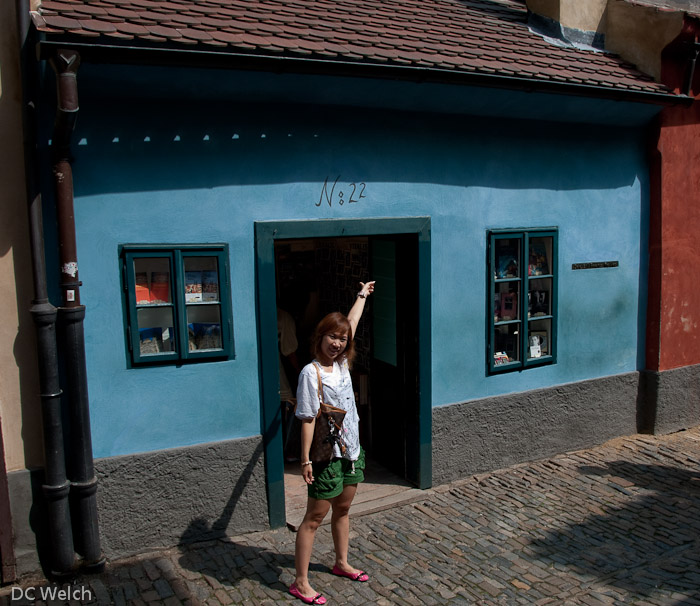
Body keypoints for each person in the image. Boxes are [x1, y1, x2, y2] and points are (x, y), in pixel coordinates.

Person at [289, 280, 376, 605]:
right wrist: (306, 459)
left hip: (352, 451)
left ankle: (341, 563)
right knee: (314, 518)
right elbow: (308, 418)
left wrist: (361, 296)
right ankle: (300, 582)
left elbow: (351, 324)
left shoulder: (341, 364)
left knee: (343, 509)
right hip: (327, 457)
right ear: (319, 337)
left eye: (341, 340)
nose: (337, 343)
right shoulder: (311, 374)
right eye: (332, 337)